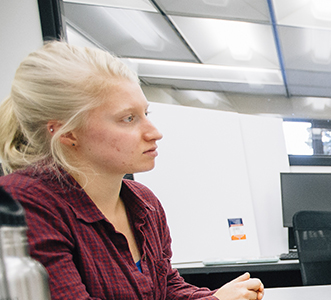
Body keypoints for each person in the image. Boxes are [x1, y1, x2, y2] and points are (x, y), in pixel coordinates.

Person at [0, 42, 265, 300]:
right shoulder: (24, 202)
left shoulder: (143, 202)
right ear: (67, 133)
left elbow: (165, 288)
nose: (154, 132)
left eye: (146, 113)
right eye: (128, 118)